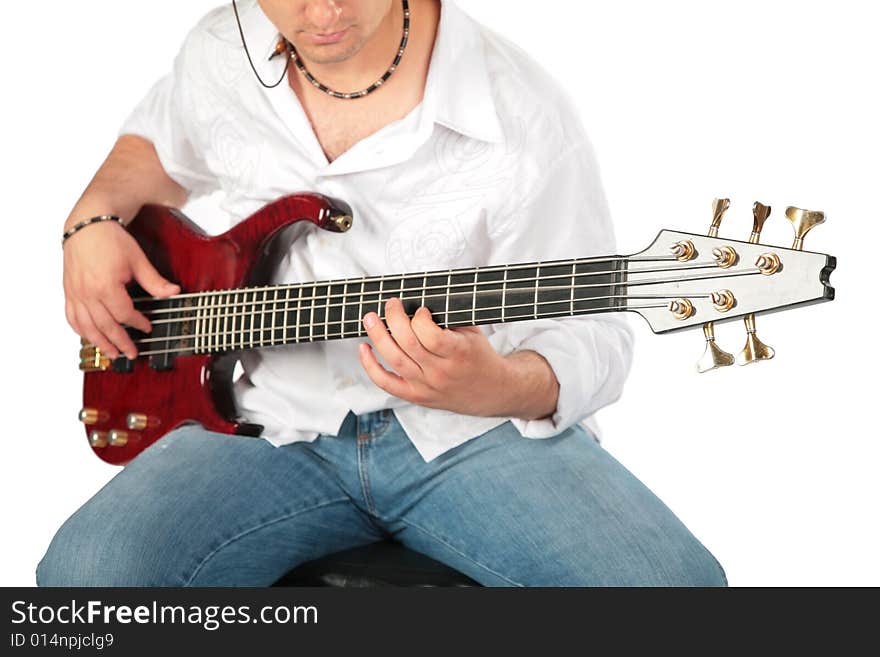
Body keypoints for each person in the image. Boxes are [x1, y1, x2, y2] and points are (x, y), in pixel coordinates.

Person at [38, 0, 727, 586]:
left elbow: (596, 335)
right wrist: (90, 220)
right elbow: (157, 146)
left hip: (470, 434)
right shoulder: (223, 49)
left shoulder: (522, 112)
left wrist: (500, 384)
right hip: (268, 423)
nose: (321, 12)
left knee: (672, 589)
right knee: (86, 574)